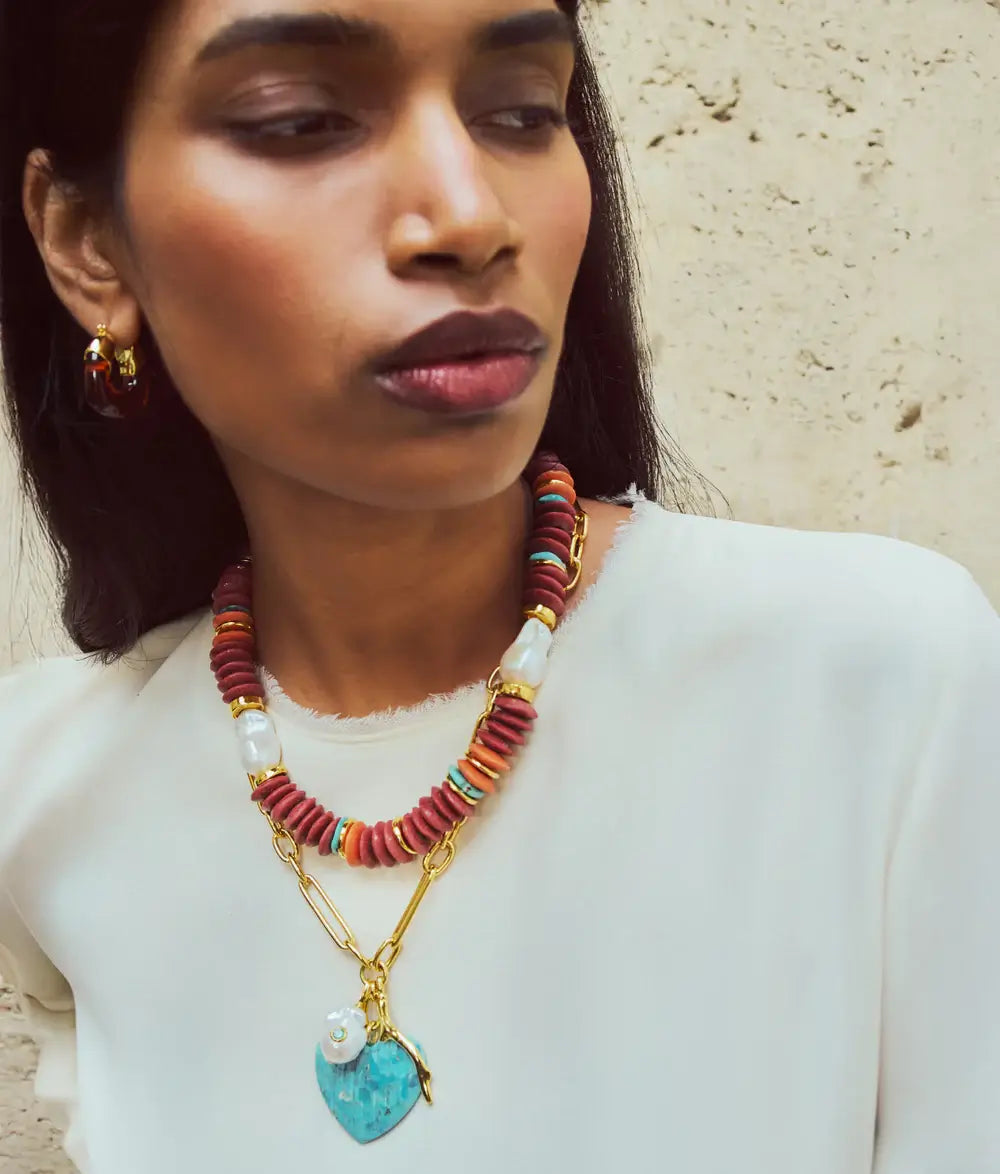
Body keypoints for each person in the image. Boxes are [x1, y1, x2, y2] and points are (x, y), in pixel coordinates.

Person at [0, 0, 997, 1170]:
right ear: (87, 242)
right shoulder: (48, 798)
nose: (470, 216)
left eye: (522, 111)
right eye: (301, 119)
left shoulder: (878, 692)